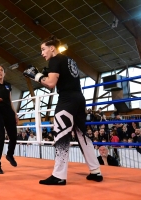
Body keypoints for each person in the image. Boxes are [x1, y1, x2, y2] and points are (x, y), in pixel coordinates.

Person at [23, 35, 103, 185]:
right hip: (79, 99)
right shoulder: (70, 60)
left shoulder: (55, 59)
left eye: (43, 49)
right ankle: (96, 171)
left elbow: (51, 83)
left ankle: (59, 176)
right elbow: (64, 78)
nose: (42, 53)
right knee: (82, 136)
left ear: (52, 48)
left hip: (67, 101)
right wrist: (44, 74)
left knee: (61, 136)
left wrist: (37, 76)